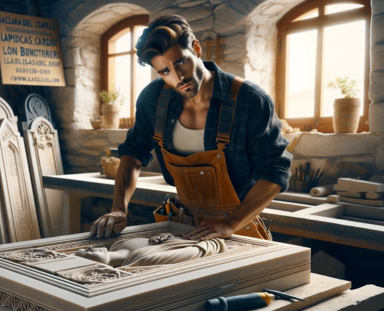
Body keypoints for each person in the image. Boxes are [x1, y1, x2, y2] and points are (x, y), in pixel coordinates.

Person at [91, 15, 292, 241]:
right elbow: (134, 152)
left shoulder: (250, 99)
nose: (178, 77)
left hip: (238, 229)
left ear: (196, 48)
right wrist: (119, 208)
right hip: (182, 227)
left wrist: (229, 224)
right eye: (164, 72)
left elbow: (275, 169)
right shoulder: (153, 99)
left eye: (180, 62)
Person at [75, 233, 228, 267]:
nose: (90, 247)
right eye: (87, 254)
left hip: (193, 230)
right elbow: (203, 250)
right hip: (211, 237)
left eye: (85, 248)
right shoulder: (143, 261)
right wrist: (178, 241)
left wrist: (169, 237)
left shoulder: (118, 243)